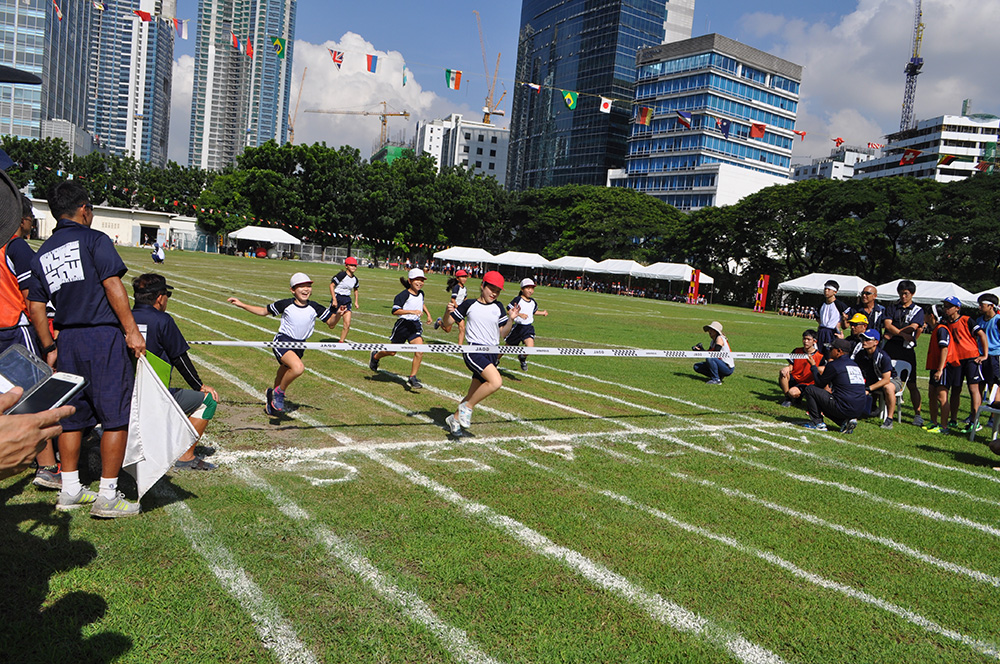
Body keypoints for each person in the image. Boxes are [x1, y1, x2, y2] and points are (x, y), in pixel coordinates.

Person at [27, 180, 146, 518]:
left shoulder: (44, 251)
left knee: (72, 419)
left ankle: (69, 488)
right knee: (115, 416)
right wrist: (132, 331)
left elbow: (36, 308)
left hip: (67, 339)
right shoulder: (95, 239)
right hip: (102, 337)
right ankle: (108, 494)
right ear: (85, 209)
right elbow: (112, 285)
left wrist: (49, 345)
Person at [131, 273, 219, 470]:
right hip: (153, 396)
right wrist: (199, 385)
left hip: (124, 394)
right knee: (208, 401)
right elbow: (179, 359)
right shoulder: (163, 320)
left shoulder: (124, 318)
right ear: (160, 297)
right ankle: (185, 456)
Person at [228, 272, 336, 416]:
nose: (305, 289)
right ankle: (279, 393)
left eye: (308, 286)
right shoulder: (285, 304)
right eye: (301, 286)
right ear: (293, 290)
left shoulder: (314, 307)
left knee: (285, 370)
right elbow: (263, 311)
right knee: (297, 368)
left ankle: (272, 398)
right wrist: (241, 304)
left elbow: (331, 323)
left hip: (300, 346)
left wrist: (339, 314)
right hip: (283, 341)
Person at [440, 271, 518, 435]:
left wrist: (511, 319)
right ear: (482, 286)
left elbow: (502, 333)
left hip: (492, 353)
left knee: (473, 393)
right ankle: (467, 407)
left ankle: (454, 419)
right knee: (496, 382)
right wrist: (448, 311)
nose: (494, 293)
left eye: (497, 291)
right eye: (491, 288)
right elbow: (447, 324)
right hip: (474, 351)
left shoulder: (498, 307)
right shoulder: (469, 304)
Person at [369, 268, 432, 390]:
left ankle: (412, 377)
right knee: (392, 352)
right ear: (410, 281)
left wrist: (428, 314)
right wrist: (411, 311)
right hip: (403, 325)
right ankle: (376, 356)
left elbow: (421, 302)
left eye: (422, 280)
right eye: (417, 280)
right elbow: (395, 311)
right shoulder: (403, 295)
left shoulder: (421, 293)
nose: (420, 282)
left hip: (415, 326)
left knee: (420, 349)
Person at [799, 338, 871, 434]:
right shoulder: (854, 365)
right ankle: (844, 422)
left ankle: (817, 423)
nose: (829, 351)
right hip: (859, 408)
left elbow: (819, 384)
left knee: (810, 389)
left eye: (831, 349)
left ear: (839, 351)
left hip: (844, 406)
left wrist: (813, 366)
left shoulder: (834, 365)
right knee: (829, 399)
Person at [940, 296, 989, 434]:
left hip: (971, 358)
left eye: (949, 306)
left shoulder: (966, 320)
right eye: (945, 306)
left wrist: (984, 355)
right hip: (956, 360)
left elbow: (982, 335)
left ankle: (975, 420)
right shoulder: (945, 323)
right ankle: (953, 419)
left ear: (957, 308)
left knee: (974, 389)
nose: (946, 309)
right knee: (955, 389)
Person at [883, 280, 925, 425]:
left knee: (912, 383)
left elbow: (913, 327)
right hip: (890, 347)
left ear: (912, 294)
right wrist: (902, 334)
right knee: (884, 378)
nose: (903, 296)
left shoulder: (918, 310)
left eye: (906, 293)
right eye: (901, 293)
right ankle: (882, 410)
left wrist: (896, 333)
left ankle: (917, 414)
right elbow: (887, 324)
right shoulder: (893, 307)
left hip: (906, 349)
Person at [854, 329, 902, 429]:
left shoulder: (883, 356)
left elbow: (886, 379)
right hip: (874, 380)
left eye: (867, 339)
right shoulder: (861, 355)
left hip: (892, 380)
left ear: (876, 342)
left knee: (888, 387)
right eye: (863, 339)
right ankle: (855, 412)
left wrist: (868, 389)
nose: (864, 341)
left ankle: (889, 419)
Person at [504, 278, 549, 371]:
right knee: (506, 347)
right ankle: (495, 360)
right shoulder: (518, 299)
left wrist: (542, 313)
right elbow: (509, 310)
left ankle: (522, 357)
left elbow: (534, 312)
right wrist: (519, 314)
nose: (530, 290)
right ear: (522, 289)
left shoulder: (532, 302)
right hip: (518, 328)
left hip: (528, 328)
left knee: (530, 347)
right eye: (528, 288)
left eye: (532, 288)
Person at [923, 306, 954, 434]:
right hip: (935, 366)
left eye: (926, 313)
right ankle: (933, 421)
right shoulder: (936, 329)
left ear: (931, 316)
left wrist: (940, 369)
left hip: (943, 367)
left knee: (942, 397)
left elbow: (944, 349)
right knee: (932, 395)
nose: (924, 315)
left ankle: (944, 426)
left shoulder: (942, 329)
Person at [778, 329, 824, 407]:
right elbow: (792, 364)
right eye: (804, 339)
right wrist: (787, 368)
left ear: (814, 341)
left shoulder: (820, 356)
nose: (805, 341)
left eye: (808, 339)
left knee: (793, 392)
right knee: (783, 372)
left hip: (807, 382)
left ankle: (797, 397)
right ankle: (787, 398)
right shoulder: (797, 350)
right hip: (795, 377)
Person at [328, 256, 360, 343]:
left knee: (347, 324)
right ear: (346, 266)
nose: (354, 267)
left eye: (355, 266)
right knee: (331, 325)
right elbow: (332, 285)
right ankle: (338, 313)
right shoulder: (341, 275)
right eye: (352, 265)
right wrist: (334, 299)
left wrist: (356, 302)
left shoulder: (355, 279)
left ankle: (341, 342)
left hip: (347, 300)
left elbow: (356, 290)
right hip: (338, 298)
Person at [692, 321, 734, 385]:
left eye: (712, 330)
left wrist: (701, 351)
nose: (709, 331)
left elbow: (715, 353)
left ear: (716, 331)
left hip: (727, 367)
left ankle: (716, 379)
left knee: (710, 358)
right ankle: (718, 376)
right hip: (719, 363)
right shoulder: (713, 341)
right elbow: (709, 353)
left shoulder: (719, 338)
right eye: (709, 330)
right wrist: (700, 350)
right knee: (697, 367)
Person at [975, 293, 1000, 398]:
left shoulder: (998, 320)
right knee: (978, 385)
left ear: (991, 306)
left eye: (982, 304)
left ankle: (994, 413)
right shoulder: (979, 320)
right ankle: (975, 413)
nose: (979, 307)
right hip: (979, 356)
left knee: (993, 385)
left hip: (994, 356)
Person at [434, 268, 469, 343]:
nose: (464, 279)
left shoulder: (465, 288)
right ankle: (440, 322)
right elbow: (453, 299)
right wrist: (457, 307)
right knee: (447, 330)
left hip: (460, 311)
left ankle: (460, 347)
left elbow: (465, 299)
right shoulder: (456, 287)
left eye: (465, 277)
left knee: (462, 328)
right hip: (453, 310)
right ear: (458, 278)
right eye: (462, 277)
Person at [815, 280, 847, 355]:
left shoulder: (840, 305)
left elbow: (847, 317)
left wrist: (841, 323)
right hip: (822, 331)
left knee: (830, 353)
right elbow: (817, 317)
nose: (826, 291)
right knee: (819, 352)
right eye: (825, 289)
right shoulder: (821, 304)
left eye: (829, 289)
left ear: (835, 292)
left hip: (832, 332)